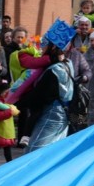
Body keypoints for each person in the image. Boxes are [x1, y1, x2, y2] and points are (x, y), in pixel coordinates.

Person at [21, 23, 75, 153]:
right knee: (53, 153)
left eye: (44, 44)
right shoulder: (68, 64)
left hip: (52, 115)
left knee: (33, 153)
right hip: (63, 114)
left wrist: (19, 99)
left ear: (53, 46)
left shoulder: (53, 70)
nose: (41, 48)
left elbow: (39, 97)